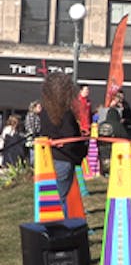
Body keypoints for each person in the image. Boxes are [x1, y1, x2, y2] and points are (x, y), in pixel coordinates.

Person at [38, 72, 87, 210]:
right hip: (64, 160)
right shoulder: (65, 113)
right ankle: (59, 228)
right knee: (61, 199)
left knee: (50, 199)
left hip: (48, 159)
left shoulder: (45, 112)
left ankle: (52, 226)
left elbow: (44, 134)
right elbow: (71, 137)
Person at [24, 100, 42, 165]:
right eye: (39, 107)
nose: (41, 109)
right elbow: (30, 128)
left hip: (35, 138)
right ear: (34, 107)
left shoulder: (36, 116)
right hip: (33, 139)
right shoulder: (31, 116)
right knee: (33, 156)